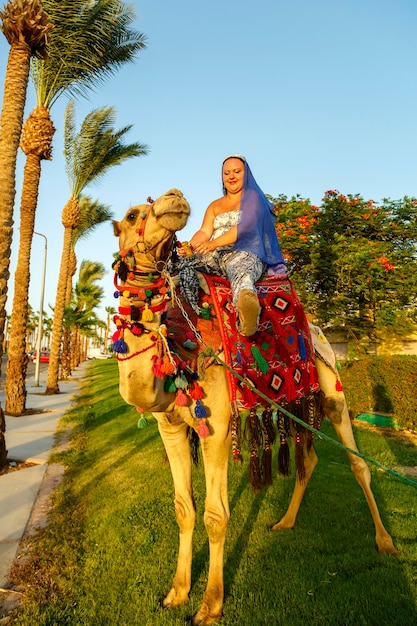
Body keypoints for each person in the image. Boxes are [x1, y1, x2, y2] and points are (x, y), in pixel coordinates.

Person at [177, 155, 286, 336]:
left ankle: (247, 312)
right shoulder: (214, 205)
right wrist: (191, 245)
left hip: (246, 250)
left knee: (239, 269)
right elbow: (204, 231)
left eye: (237, 171)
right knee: (183, 268)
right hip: (213, 255)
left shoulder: (254, 199)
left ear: (247, 175)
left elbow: (245, 227)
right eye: (226, 173)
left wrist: (213, 243)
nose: (231, 176)